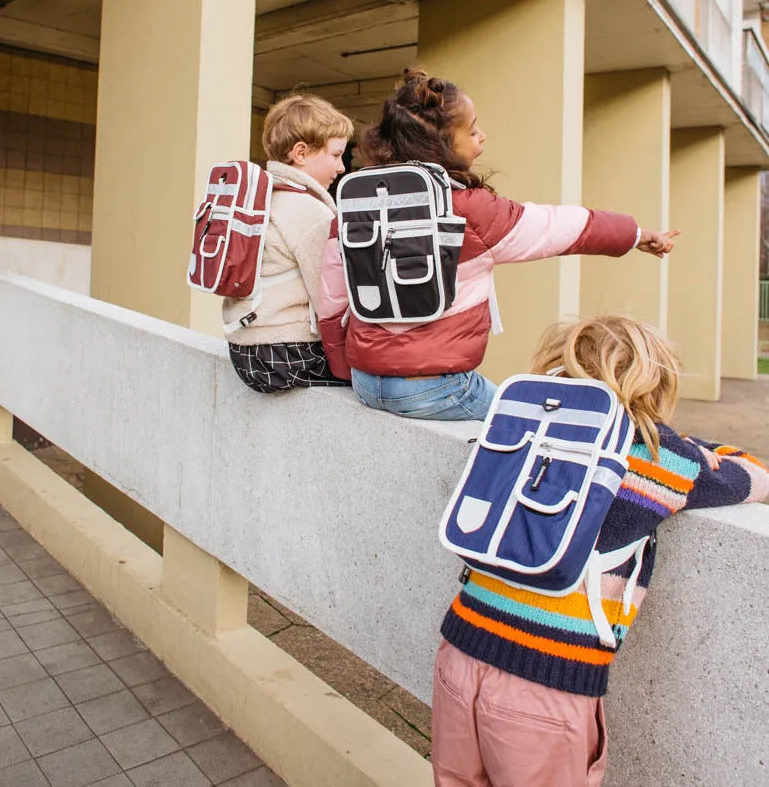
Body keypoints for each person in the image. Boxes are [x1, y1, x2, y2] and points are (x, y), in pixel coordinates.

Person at [431, 315, 769, 787]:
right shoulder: (660, 458)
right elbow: (751, 475)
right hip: (546, 678)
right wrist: (688, 445)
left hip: (459, 651)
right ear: (654, 379)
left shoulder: (520, 426)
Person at [317, 69, 680, 419]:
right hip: (436, 389)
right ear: (441, 143)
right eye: (473, 131)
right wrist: (635, 235)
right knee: (534, 424)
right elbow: (562, 227)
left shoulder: (354, 203)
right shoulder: (471, 210)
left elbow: (332, 300)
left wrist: (342, 367)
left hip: (365, 381)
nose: (483, 137)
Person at [224, 94, 353, 393]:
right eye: (336, 155)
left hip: (245, 351)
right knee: (381, 383)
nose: (342, 168)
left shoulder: (263, 197)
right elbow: (330, 301)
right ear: (301, 153)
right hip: (285, 355)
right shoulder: (308, 210)